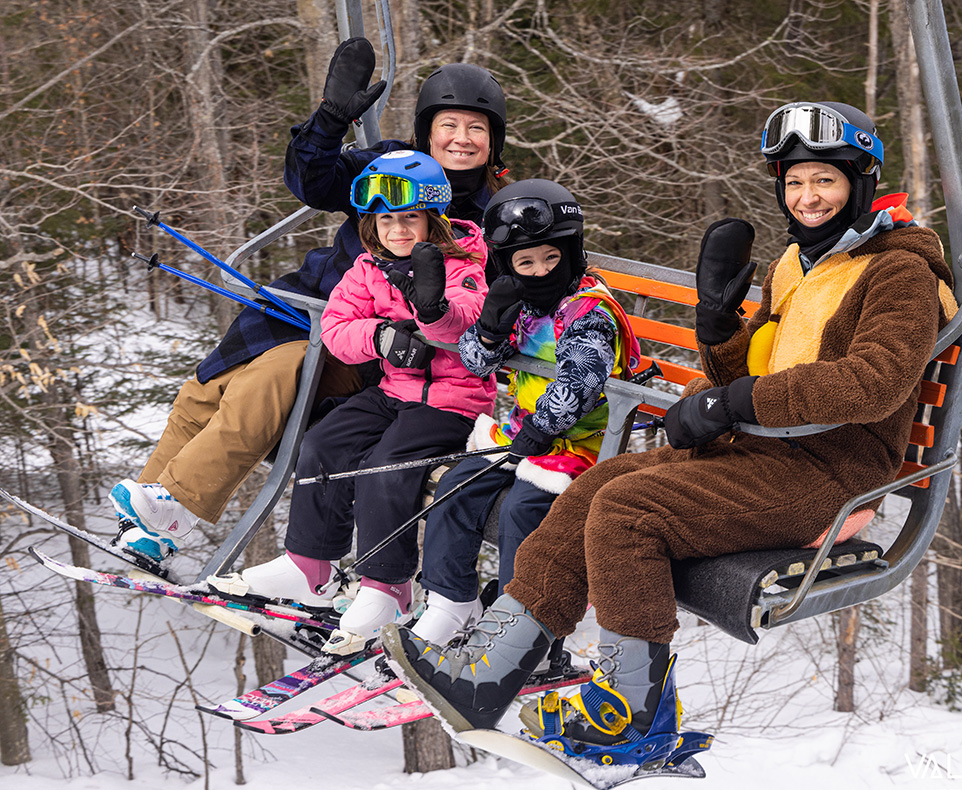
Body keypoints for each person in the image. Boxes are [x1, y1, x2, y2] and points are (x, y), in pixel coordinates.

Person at [381, 101, 959, 769]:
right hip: (766, 455)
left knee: (630, 514)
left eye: (825, 180)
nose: (808, 197)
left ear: (860, 180)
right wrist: (720, 338)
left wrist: (733, 400)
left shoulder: (898, 271)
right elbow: (758, 372)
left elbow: (874, 381)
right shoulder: (800, 264)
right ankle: (489, 668)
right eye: (795, 182)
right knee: (600, 483)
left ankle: (634, 712)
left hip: (829, 475)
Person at [108, 38, 510, 564]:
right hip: (305, 306)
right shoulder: (395, 164)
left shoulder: (493, 214)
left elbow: (496, 299)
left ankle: (178, 504)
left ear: (494, 139)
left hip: (372, 344)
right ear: (427, 130)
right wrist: (329, 120)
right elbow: (314, 182)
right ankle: (144, 525)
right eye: (449, 126)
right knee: (202, 394)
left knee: (271, 377)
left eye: (476, 128)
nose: (461, 140)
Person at [210, 150, 495, 655]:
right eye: (386, 219)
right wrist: (381, 336)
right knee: (324, 442)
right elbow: (337, 328)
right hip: (394, 390)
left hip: (455, 401)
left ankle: (388, 586)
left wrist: (433, 310)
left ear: (434, 218)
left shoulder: (465, 261)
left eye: (410, 217)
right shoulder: (369, 268)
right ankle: (310, 565)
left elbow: (469, 316)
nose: (398, 230)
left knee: (387, 464)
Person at [404, 179, 640, 646]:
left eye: (551, 259)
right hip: (525, 435)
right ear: (506, 266)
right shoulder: (526, 307)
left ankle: (525, 626)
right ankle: (451, 602)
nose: (540, 272)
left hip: (583, 445)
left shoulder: (587, 311)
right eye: (525, 263)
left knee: (523, 508)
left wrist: (542, 425)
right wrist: (490, 329)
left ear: (571, 255)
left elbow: (582, 378)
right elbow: (474, 362)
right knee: (458, 484)